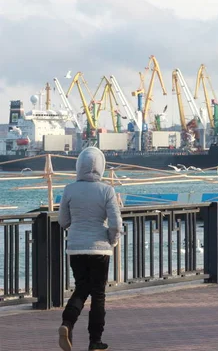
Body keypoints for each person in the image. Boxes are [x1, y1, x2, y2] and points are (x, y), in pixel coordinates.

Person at [57, 147, 123, 351]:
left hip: (75, 248)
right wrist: (111, 241)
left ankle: (67, 323)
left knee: (81, 287)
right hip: (99, 250)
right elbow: (115, 224)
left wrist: (76, 228)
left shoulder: (69, 189)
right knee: (98, 294)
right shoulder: (106, 190)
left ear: (79, 166)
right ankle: (95, 341)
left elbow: (62, 221)